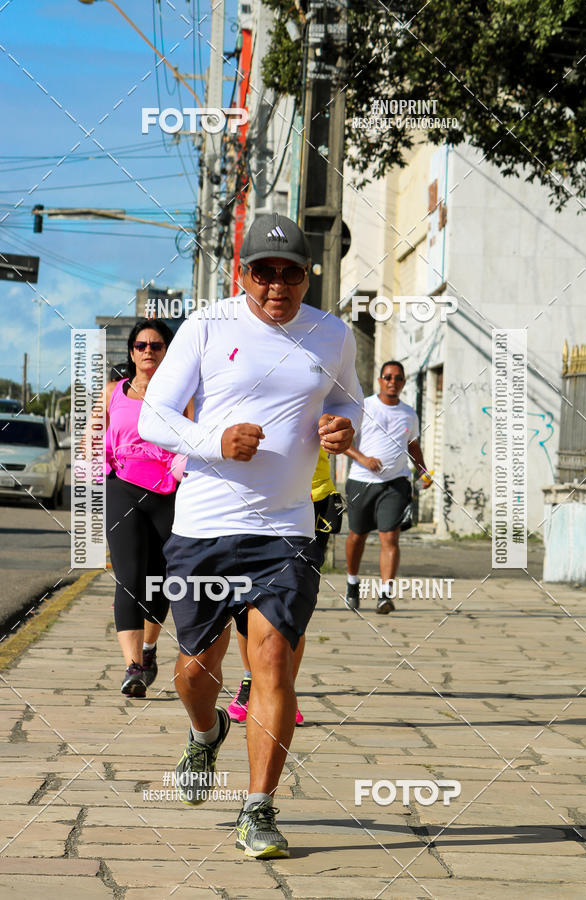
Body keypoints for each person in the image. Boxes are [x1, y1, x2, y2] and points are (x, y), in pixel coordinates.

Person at [138, 212, 362, 859]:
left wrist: (345, 429)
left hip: (286, 530)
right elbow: (155, 415)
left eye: (290, 273)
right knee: (194, 668)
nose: (277, 286)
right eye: (264, 272)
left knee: (272, 664)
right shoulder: (208, 326)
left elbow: (349, 404)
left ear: (306, 274)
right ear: (244, 273)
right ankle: (205, 734)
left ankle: (258, 809)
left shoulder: (332, 334)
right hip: (205, 526)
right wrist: (214, 440)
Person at [105, 319, 191, 698]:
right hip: (121, 488)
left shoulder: (183, 394)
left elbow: (192, 438)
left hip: (169, 493)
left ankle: (150, 648)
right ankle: (133, 667)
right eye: (141, 345)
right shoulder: (111, 393)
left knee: (162, 579)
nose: (148, 351)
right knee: (129, 577)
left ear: (167, 351)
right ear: (131, 351)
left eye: (156, 345)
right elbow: (95, 441)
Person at [227, 448, 342, 726]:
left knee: (294, 604)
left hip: (312, 497)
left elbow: (343, 416)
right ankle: (250, 681)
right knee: (245, 600)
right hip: (253, 495)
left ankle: (283, 688)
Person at [344, 360, 431, 614]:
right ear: (380, 380)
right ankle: (352, 582)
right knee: (357, 536)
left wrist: (423, 472)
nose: (393, 382)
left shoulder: (409, 414)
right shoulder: (364, 407)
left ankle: (385, 595)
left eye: (398, 378)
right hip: (362, 482)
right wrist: (364, 459)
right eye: (388, 377)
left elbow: (413, 447)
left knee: (390, 537)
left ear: (403, 383)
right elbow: (344, 442)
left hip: (396, 483)